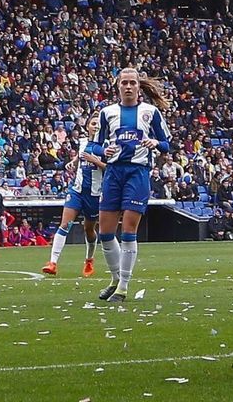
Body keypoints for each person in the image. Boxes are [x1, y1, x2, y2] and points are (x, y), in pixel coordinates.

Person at [95, 68, 172, 302]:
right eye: (124, 83)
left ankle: (123, 287)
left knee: (129, 230)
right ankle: (115, 277)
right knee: (105, 232)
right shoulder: (106, 113)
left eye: (132, 83)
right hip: (113, 173)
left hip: (138, 173)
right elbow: (95, 145)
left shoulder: (151, 112)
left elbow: (166, 144)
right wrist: (103, 151)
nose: (128, 87)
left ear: (139, 87)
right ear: (118, 86)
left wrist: (154, 142)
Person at [43, 113, 105, 277]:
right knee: (65, 224)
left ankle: (89, 260)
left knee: (89, 230)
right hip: (76, 190)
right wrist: (74, 162)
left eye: (99, 124)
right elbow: (80, 156)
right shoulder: (83, 142)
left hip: (94, 194)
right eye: (93, 123)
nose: (96, 126)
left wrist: (96, 161)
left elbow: (112, 169)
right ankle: (53, 262)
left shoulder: (106, 145)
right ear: (87, 126)